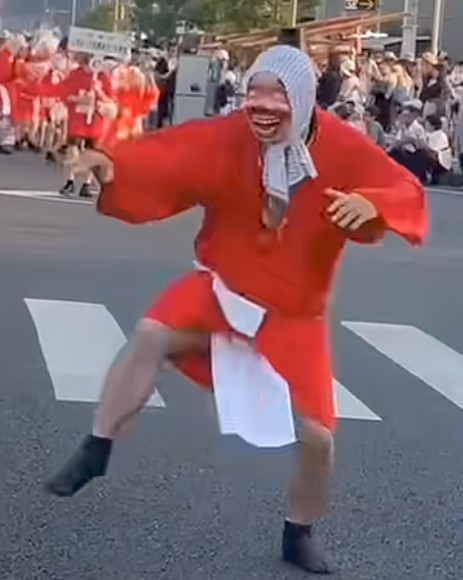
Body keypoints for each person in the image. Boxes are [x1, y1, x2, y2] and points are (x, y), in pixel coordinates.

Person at [44, 45, 427, 575]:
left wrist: (373, 204)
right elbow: (170, 155)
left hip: (294, 311)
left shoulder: (342, 146)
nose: (262, 108)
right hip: (223, 287)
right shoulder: (229, 137)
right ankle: (97, 445)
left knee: (317, 438)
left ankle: (299, 531)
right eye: (254, 94)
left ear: (302, 99)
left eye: (277, 96)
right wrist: (112, 166)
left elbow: (403, 188)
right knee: (152, 335)